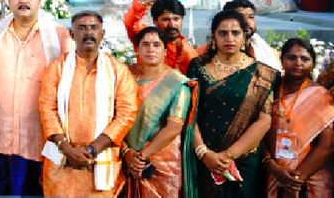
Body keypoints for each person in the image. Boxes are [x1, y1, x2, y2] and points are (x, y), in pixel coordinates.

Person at [0, 0, 74, 196]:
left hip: (39, 137)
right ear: (8, 1)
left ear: (40, 1)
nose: (24, 1)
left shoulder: (59, 36)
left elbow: (71, 78)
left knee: (34, 192)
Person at [39, 11, 138, 197]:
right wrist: (67, 149)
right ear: (71, 34)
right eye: (82, 28)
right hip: (62, 160)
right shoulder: (57, 68)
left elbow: (126, 114)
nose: (88, 33)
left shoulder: (119, 71)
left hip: (100, 159)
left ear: (103, 33)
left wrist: (93, 149)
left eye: (94, 28)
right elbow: (47, 109)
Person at [187, 10, 279, 198]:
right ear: (213, 36)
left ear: (245, 36)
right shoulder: (197, 67)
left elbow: (264, 121)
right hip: (203, 156)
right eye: (223, 33)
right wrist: (204, 153)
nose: (229, 38)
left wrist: (228, 155)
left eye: (235, 33)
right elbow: (189, 114)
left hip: (243, 160)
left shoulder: (262, 74)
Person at [122, 26, 197, 198]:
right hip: (126, 158)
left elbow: (173, 128)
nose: (150, 49)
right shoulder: (125, 76)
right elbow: (113, 117)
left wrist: (140, 158)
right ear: (138, 49)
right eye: (145, 44)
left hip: (162, 161)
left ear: (165, 50)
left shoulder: (176, 82)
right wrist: (127, 153)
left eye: (156, 45)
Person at [265, 38, 334, 198]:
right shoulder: (270, 92)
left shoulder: (321, 96)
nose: (298, 62)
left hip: (310, 179)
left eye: (304, 59)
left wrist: (295, 180)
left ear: (312, 63)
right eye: (291, 57)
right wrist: (273, 168)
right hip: (276, 173)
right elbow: (260, 135)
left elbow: (327, 146)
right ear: (281, 60)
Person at [123, 0, 196, 74]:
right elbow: (130, 23)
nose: (172, 25)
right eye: (166, 20)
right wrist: (140, 5)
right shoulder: (145, 38)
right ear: (155, 21)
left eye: (176, 19)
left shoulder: (188, 51)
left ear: (182, 19)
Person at [197, 0, 281, 71]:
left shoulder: (268, 53)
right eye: (240, 17)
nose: (247, 22)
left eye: (250, 17)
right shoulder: (201, 55)